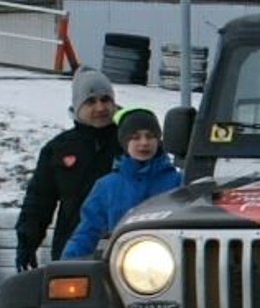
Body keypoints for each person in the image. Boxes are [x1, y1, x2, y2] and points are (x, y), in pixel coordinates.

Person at [14, 67, 122, 270]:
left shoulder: (131, 143)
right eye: (91, 101)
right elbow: (39, 201)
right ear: (77, 107)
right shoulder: (58, 149)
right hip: (74, 249)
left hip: (127, 250)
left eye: (105, 99)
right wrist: (27, 244)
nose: (100, 108)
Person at [61, 107, 183, 259]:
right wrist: (67, 264)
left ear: (158, 140)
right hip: (122, 267)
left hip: (169, 263)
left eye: (150, 136)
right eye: (135, 137)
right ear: (125, 143)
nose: (144, 143)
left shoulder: (179, 182)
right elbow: (88, 232)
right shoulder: (107, 187)